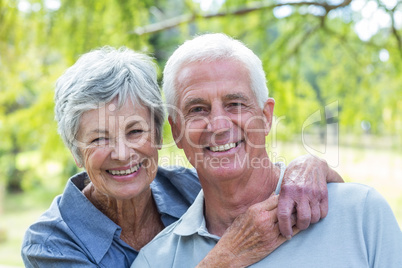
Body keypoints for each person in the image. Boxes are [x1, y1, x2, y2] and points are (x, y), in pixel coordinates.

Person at [21, 46, 342, 268]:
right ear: (76, 151)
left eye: (135, 132)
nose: (121, 154)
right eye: (99, 138)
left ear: (160, 135)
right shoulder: (51, 242)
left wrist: (309, 166)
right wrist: (226, 257)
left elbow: (279, 188)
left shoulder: (190, 187)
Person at [132, 33, 402, 267]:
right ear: (177, 131)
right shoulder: (155, 261)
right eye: (197, 109)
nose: (219, 125)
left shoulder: (361, 214)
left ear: (266, 117)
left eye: (235, 103)